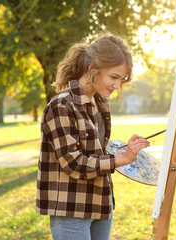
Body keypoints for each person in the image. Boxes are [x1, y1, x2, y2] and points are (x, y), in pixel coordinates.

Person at [36, 33, 150, 240]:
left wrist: (124, 150)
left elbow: (94, 151)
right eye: (114, 77)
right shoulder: (61, 106)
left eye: (121, 79)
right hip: (72, 211)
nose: (117, 85)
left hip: (101, 204)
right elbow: (74, 163)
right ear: (92, 68)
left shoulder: (99, 102)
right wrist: (120, 160)